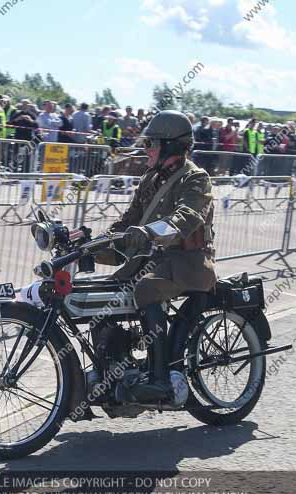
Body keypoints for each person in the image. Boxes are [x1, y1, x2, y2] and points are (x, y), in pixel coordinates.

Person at [93, 110, 215, 402]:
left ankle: (161, 381)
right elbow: (127, 222)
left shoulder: (196, 179)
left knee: (146, 289)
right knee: (98, 297)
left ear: (171, 146)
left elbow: (186, 217)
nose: (145, 150)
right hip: (151, 260)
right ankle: (109, 373)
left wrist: (148, 233)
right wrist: (92, 242)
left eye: (151, 144)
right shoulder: (151, 178)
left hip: (187, 263)